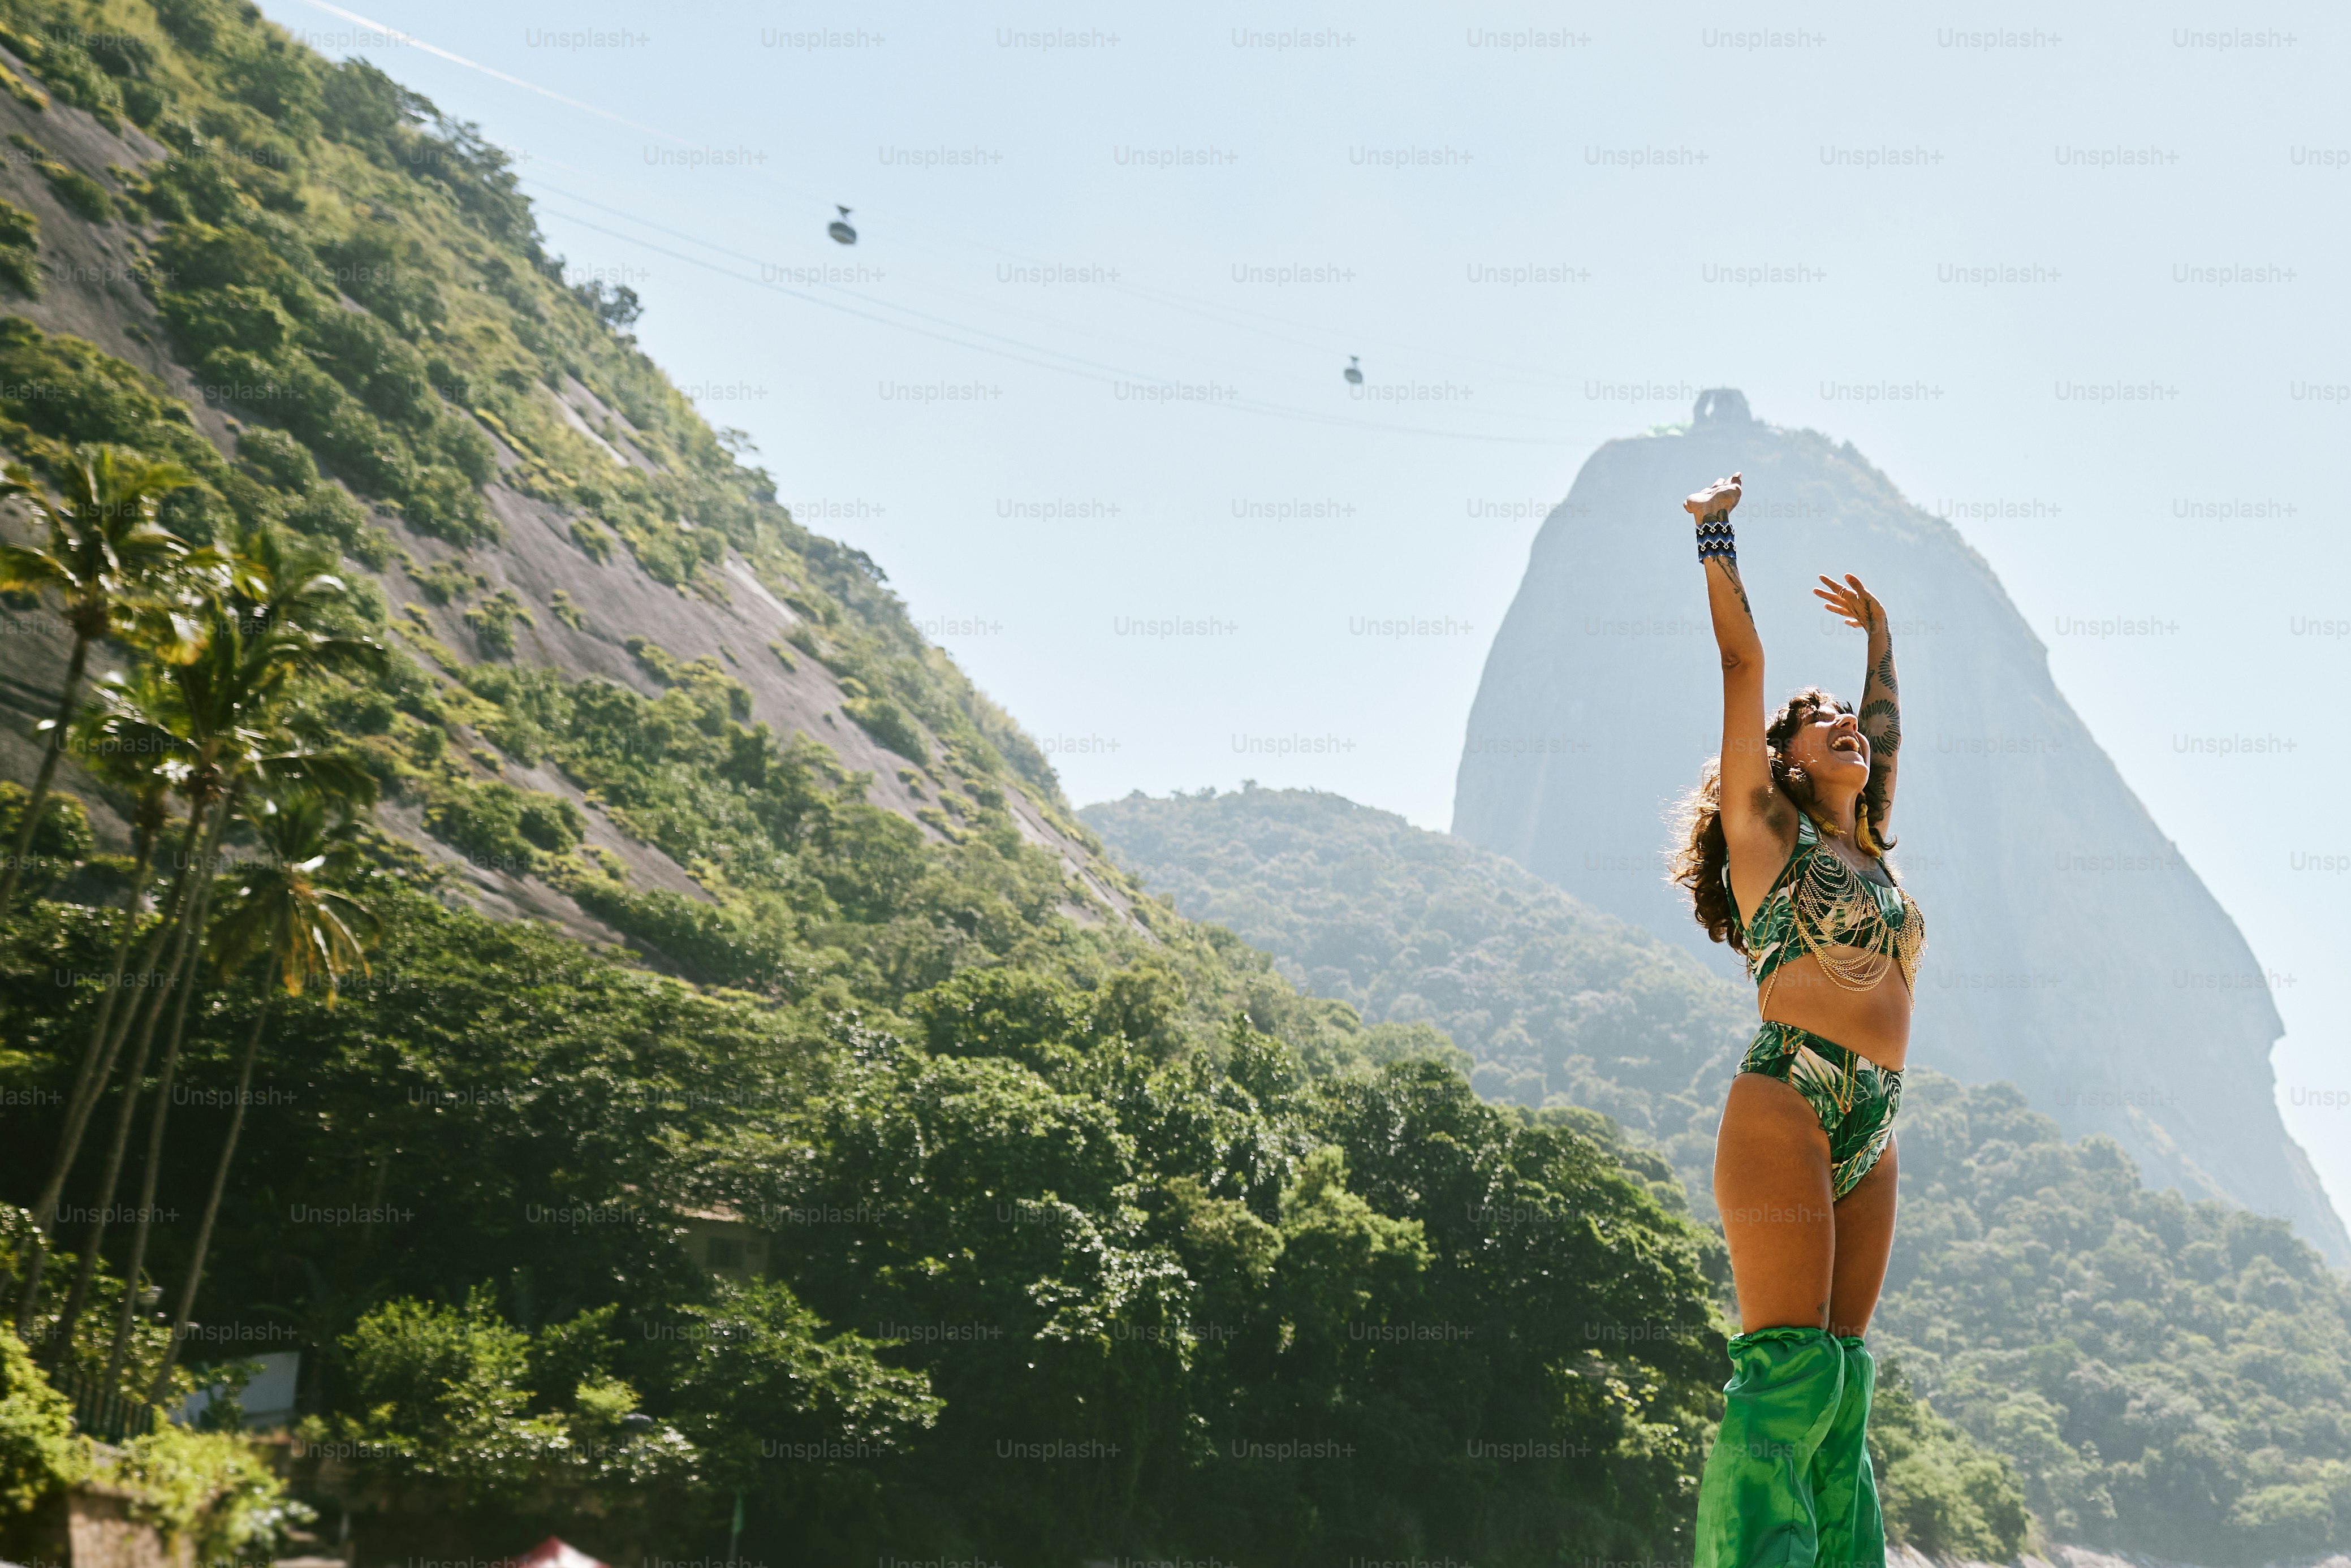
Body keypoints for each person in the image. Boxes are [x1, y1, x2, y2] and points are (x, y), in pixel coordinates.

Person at [1669, 472, 1922, 1567]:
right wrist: (1716, 536)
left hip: (1875, 1119)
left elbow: (1885, 728)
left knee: (1847, 1388)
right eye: (1820, 726)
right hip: (1790, 1098)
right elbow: (1744, 667)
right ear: (1781, 763)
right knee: (1789, 1377)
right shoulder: (1771, 836)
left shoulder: (1869, 844)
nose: (1847, 730)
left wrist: (1881, 638)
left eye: (1850, 724)